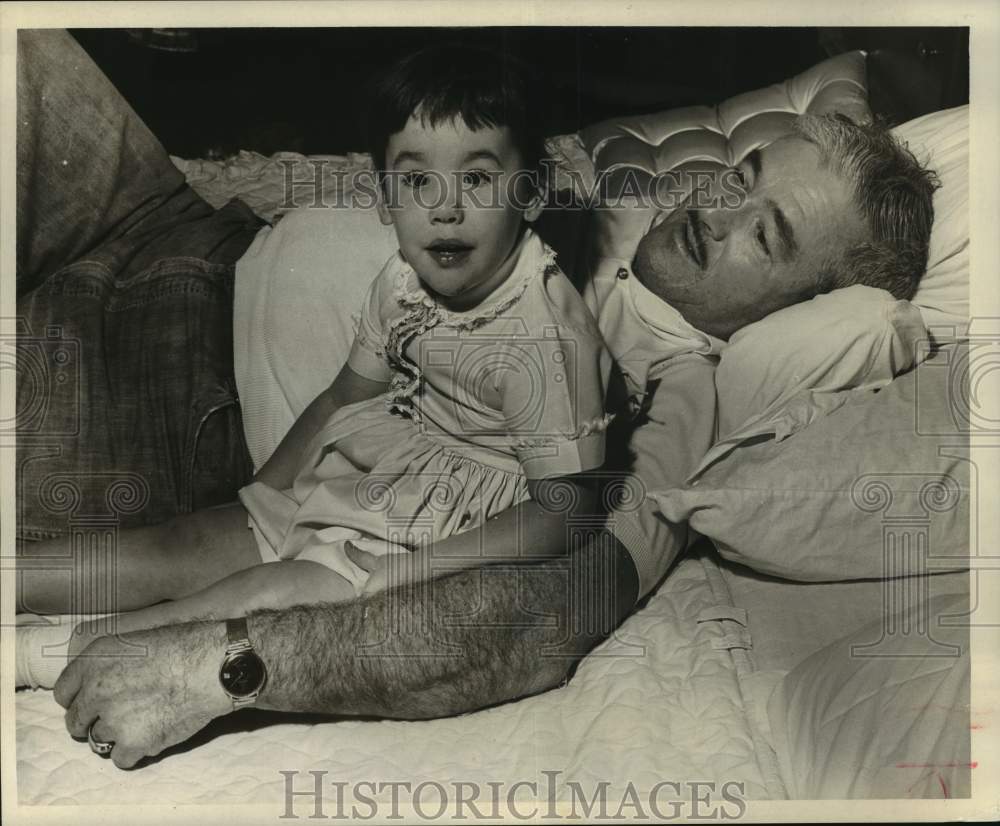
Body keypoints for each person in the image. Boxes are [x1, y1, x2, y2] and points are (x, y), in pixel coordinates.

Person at [12, 31, 937, 769]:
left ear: (807, 305)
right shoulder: (590, 209)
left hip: (148, 396)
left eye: (765, 235)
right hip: (177, 229)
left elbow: (554, 601)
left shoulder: (681, 391)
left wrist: (225, 660)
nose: (714, 211)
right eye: (741, 177)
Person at [16, 44, 611, 689]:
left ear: (531, 194)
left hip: (455, 535)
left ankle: (46, 654)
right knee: (185, 544)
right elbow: (342, 397)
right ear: (383, 199)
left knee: (258, 596)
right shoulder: (404, 281)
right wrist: (261, 498)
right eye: (416, 182)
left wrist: (414, 571)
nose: (445, 208)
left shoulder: (547, 337)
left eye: (477, 179)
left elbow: (565, 510)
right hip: (380, 475)